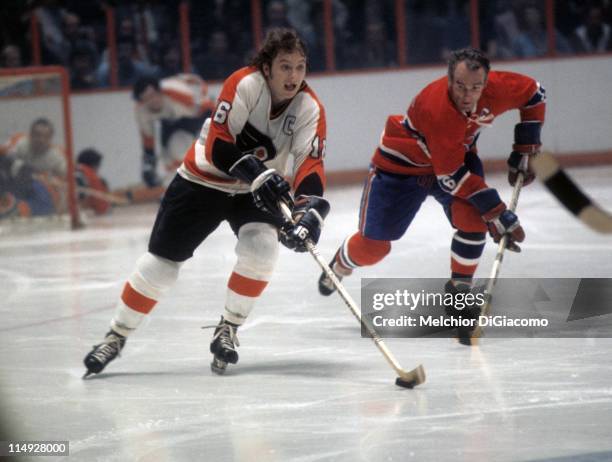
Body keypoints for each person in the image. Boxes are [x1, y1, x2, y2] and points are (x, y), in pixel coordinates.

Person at [83, 28, 328, 377]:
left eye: (300, 66)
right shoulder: (244, 84)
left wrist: (310, 210)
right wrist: (260, 175)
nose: (293, 76)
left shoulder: (310, 108)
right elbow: (219, 144)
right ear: (267, 67)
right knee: (161, 266)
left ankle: (228, 328)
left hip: (254, 191)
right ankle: (116, 334)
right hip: (203, 180)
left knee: (262, 251)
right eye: (285, 66)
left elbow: (310, 164)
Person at [318, 47, 546, 341]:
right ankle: (340, 263)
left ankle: (458, 295)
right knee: (374, 248)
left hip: (453, 161)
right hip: (400, 169)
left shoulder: (496, 89)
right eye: (460, 86)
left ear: (486, 83)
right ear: (449, 80)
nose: (467, 95)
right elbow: (450, 177)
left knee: (474, 220)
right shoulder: (437, 108)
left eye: (476, 87)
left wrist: (525, 147)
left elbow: (535, 94)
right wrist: (497, 210)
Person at [132, 74, 216, 187]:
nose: (152, 101)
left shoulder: (179, 94)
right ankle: (178, 186)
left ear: (160, 91)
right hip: (172, 118)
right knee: (169, 156)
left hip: (197, 105)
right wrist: (148, 167)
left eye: (153, 95)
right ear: (141, 101)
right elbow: (148, 141)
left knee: (184, 148)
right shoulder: (141, 111)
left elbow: (208, 108)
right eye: (146, 98)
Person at [75, 148, 111, 215]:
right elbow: (102, 208)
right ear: (94, 165)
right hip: (92, 216)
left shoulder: (73, 173)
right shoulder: (85, 178)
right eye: (98, 165)